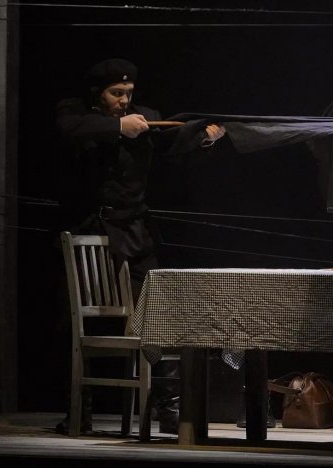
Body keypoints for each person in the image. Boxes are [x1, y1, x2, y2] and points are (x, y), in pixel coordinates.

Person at [53, 57, 226, 435]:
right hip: (93, 231)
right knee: (75, 322)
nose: (124, 101)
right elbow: (71, 130)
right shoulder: (76, 113)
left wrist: (204, 138)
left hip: (135, 234)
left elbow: (172, 140)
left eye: (128, 93)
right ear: (98, 94)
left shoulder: (145, 117)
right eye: (116, 93)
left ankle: (169, 407)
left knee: (157, 313)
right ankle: (79, 411)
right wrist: (119, 126)